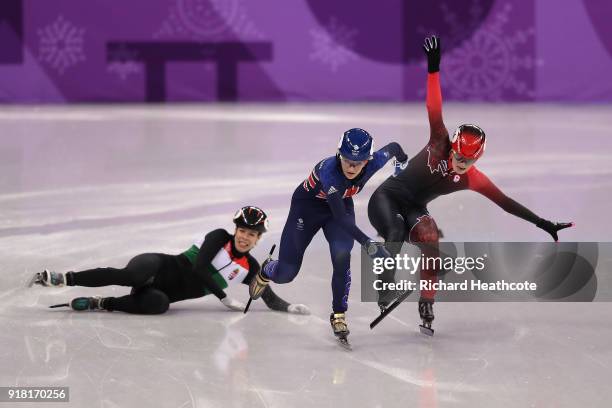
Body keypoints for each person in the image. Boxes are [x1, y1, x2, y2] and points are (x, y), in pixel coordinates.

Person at [367, 36, 573, 332]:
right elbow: (433, 107)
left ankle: (427, 301)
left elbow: (505, 203)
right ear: (451, 147)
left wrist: (543, 223)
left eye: (469, 161)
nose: (461, 164)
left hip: (413, 206)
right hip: (385, 199)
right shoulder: (439, 141)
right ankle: (384, 286)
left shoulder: (472, 178)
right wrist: (433, 69)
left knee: (430, 236)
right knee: (397, 230)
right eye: (459, 157)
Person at [248, 128, 408, 344]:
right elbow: (342, 220)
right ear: (338, 154)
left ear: (368, 160)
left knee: (342, 257)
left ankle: (339, 314)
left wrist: (402, 163)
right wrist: (369, 244)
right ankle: (268, 268)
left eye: (358, 161)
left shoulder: (375, 161)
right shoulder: (330, 173)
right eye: (346, 159)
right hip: (307, 209)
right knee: (286, 274)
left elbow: (395, 148)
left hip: (340, 206)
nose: (351, 166)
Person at [30, 206, 310, 316]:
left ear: (258, 239)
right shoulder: (219, 237)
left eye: (251, 234)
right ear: (235, 229)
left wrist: (291, 307)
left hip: (162, 292)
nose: (245, 238)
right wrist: (223, 297)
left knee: (160, 305)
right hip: (157, 265)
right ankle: (64, 278)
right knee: (132, 276)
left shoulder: (251, 269)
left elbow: (267, 297)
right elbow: (200, 268)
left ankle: (101, 304)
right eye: (242, 231)